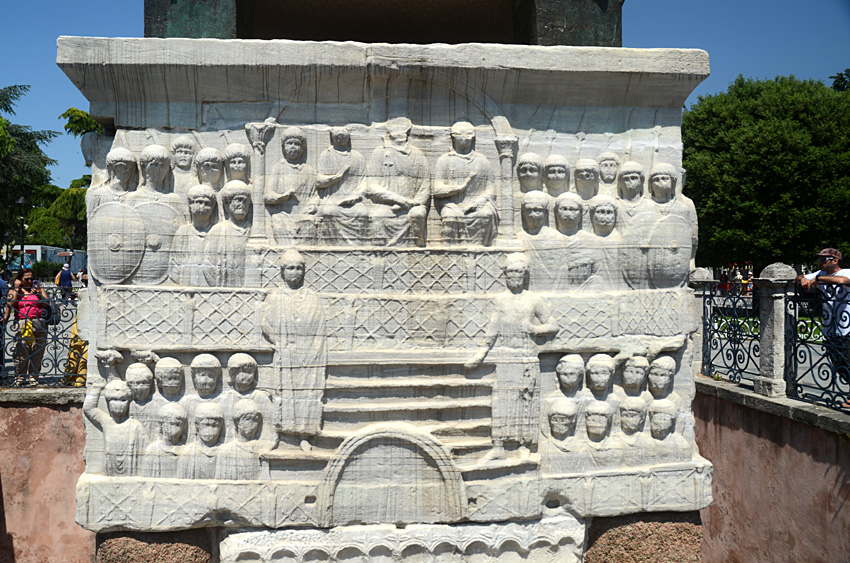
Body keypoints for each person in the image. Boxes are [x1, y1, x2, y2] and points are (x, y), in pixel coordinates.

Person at [797, 248, 850, 405]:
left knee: (847, 361)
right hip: (830, 327)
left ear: (835, 261)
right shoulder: (820, 274)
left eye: (823, 260)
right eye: (819, 259)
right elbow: (800, 276)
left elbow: (843, 282)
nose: (819, 262)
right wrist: (802, 280)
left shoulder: (846, 272)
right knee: (838, 363)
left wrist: (818, 280)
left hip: (847, 326)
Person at [3, 269, 48, 386]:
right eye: (26, 279)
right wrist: (17, 288)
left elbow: (46, 303)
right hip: (22, 323)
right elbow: (10, 304)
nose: (29, 281)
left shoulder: (38, 287)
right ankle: (20, 378)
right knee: (21, 352)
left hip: (39, 323)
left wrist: (39, 293)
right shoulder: (15, 290)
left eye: (31, 279)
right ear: (20, 279)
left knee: (37, 352)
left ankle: (34, 378)